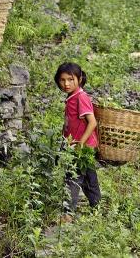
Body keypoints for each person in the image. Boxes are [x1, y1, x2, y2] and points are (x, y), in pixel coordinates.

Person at [54, 62, 101, 217]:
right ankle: (96, 208)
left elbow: (92, 122)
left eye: (70, 79)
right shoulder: (71, 97)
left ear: (79, 79)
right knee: (89, 179)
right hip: (77, 146)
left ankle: (68, 213)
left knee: (72, 178)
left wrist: (81, 142)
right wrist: (63, 141)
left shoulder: (81, 97)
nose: (66, 83)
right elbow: (69, 124)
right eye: (62, 80)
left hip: (83, 147)